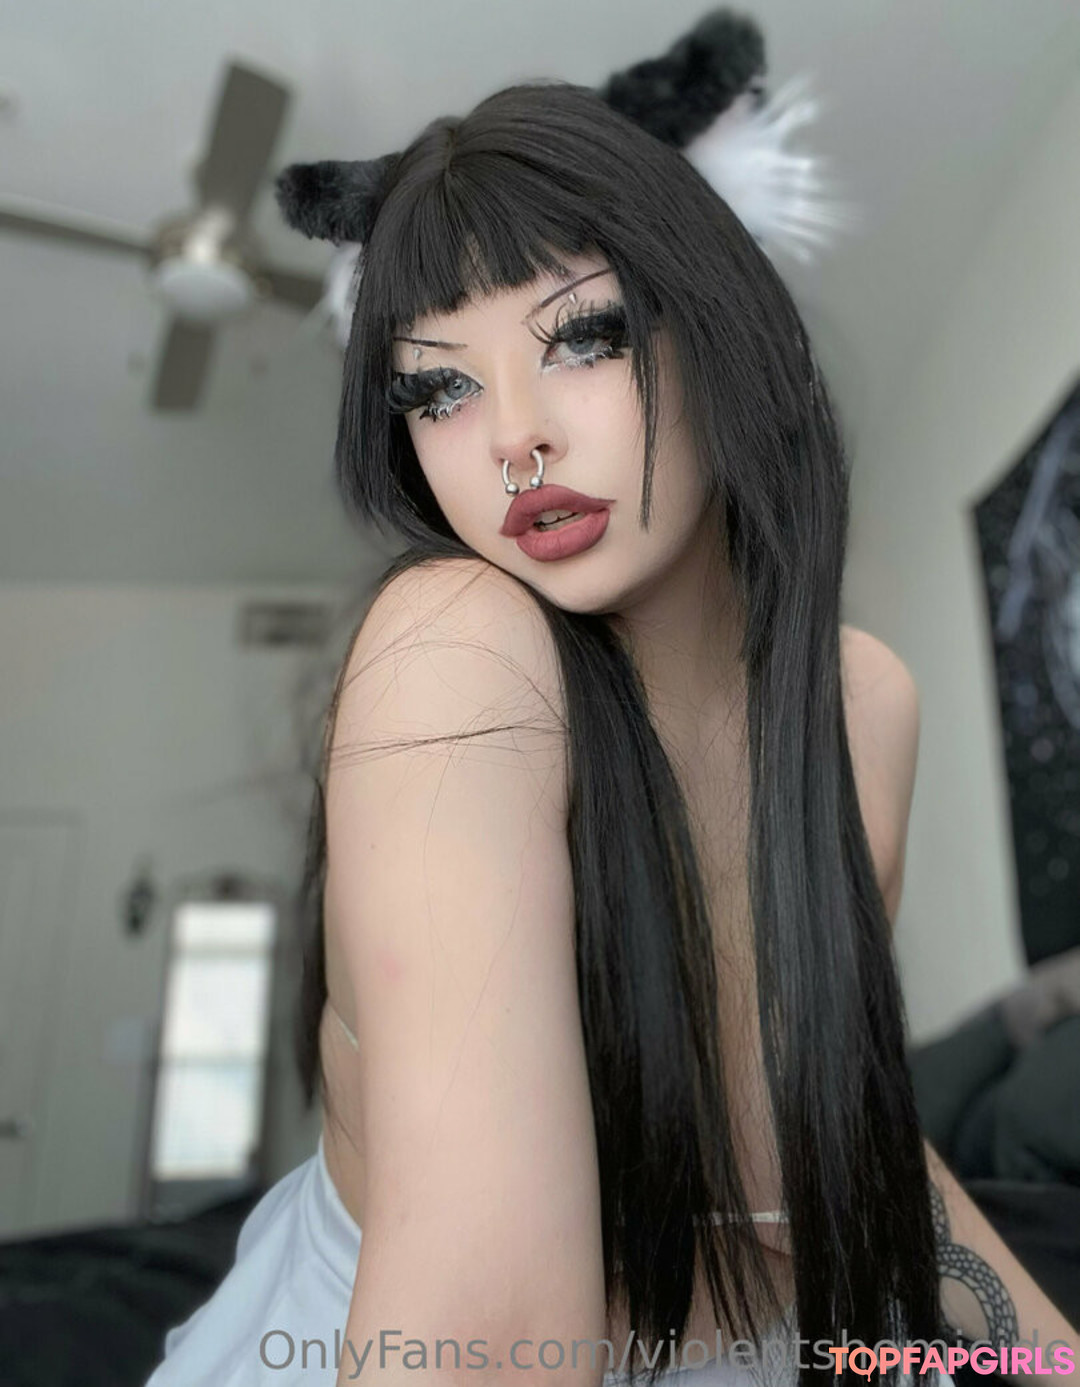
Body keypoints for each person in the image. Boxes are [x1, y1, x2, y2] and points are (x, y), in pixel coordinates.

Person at [144, 16, 1078, 1387]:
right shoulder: (457, 646)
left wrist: (1038, 1364)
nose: (513, 436)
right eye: (438, 388)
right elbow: (484, 1339)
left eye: (584, 335)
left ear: (719, 328)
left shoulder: (864, 702)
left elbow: (835, 1143)